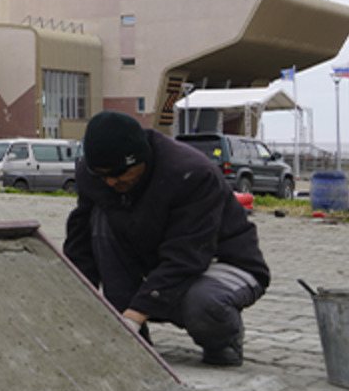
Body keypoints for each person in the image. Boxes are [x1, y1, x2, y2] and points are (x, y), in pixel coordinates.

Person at [64, 111, 270, 366]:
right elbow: (80, 240)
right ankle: (134, 337)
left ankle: (224, 340)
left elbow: (187, 255)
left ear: (141, 158)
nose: (111, 181)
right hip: (158, 261)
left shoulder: (190, 173)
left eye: (119, 173)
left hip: (222, 261)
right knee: (100, 220)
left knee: (203, 304)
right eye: (103, 175)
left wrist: (135, 314)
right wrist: (73, 301)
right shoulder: (95, 176)